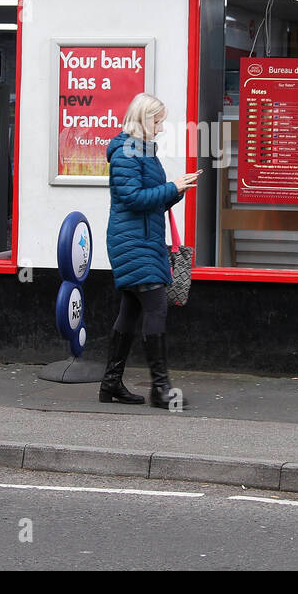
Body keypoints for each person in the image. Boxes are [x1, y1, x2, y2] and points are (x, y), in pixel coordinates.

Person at [102, 93, 201, 409]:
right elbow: (132, 199)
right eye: (157, 121)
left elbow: (150, 200)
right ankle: (160, 389)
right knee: (156, 306)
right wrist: (172, 187)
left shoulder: (142, 152)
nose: (160, 128)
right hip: (132, 243)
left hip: (143, 240)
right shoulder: (126, 153)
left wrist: (177, 189)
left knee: (130, 311)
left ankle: (111, 384)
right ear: (144, 120)